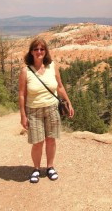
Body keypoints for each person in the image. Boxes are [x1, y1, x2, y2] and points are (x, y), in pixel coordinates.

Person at [19, 37, 74, 183]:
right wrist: (23, 115)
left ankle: (50, 167)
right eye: (36, 49)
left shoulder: (52, 66)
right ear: (31, 52)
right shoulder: (26, 71)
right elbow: (22, 95)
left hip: (51, 108)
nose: (39, 52)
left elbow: (60, 86)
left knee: (51, 140)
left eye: (42, 49)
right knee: (38, 142)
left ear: (46, 51)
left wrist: (69, 103)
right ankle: (36, 168)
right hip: (34, 111)